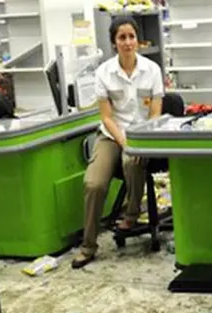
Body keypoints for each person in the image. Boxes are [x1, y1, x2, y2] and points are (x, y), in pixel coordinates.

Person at [72, 15, 164, 269]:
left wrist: (137, 142)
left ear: (138, 40)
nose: (127, 42)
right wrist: (123, 140)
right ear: (114, 43)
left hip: (143, 134)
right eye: (121, 37)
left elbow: (155, 114)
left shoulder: (152, 70)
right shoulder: (104, 73)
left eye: (131, 36)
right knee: (93, 183)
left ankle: (131, 214)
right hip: (111, 134)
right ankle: (88, 246)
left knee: (132, 162)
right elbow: (106, 117)